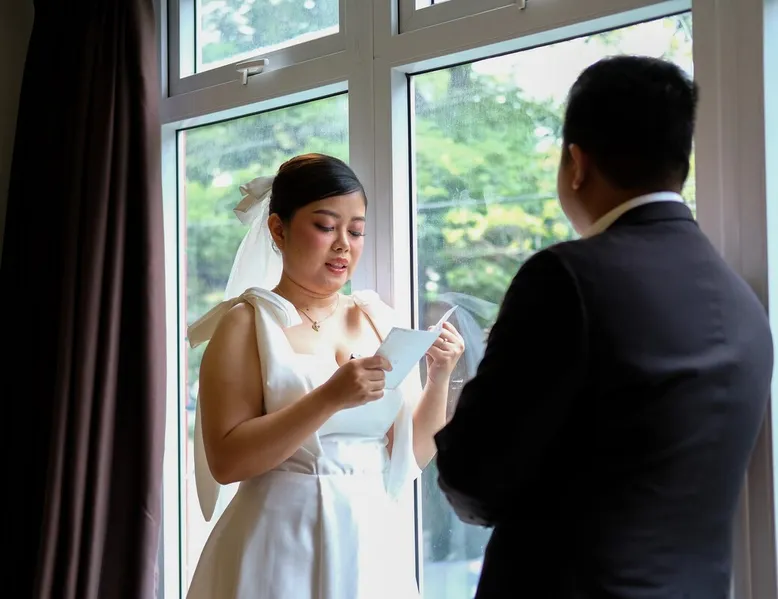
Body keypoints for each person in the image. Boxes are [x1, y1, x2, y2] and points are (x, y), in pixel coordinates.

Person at [434, 55, 773, 599]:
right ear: (678, 161)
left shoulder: (566, 279)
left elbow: (473, 478)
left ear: (577, 163)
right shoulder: (744, 304)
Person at [185, 153, 465, 599]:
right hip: (276, 541)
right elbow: (227, 463)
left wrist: (439, 376)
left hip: (369, 541)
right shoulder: (245, 323)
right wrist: (329, 398)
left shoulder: (377, 318)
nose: (343, 246)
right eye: (325, 226)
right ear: (278, 230)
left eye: (356, 231)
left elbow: (409, 455)